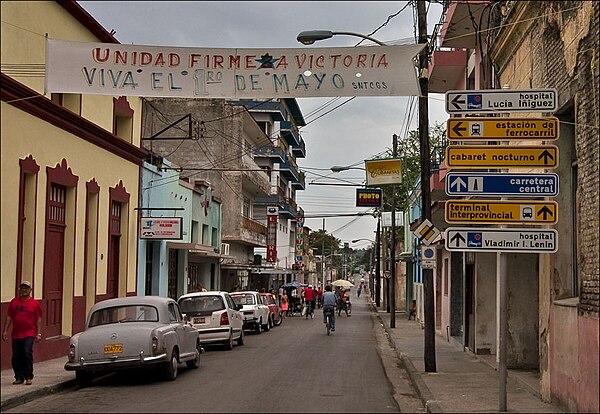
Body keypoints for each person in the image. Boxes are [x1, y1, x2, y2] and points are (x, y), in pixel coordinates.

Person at [2, 281, 43, 385]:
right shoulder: (14, 302)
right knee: (16, 356)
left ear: (30, 290)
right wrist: (5, 330)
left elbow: (38, 319)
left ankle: (28, 376)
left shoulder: (34, 304)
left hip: (29, 332)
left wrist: (39, 333)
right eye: (22, 288)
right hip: (16, 333)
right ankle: (19, 377)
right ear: (19, 290)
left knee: (27, 352)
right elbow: (9, 316)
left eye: (26, 288)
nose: (24, 290)